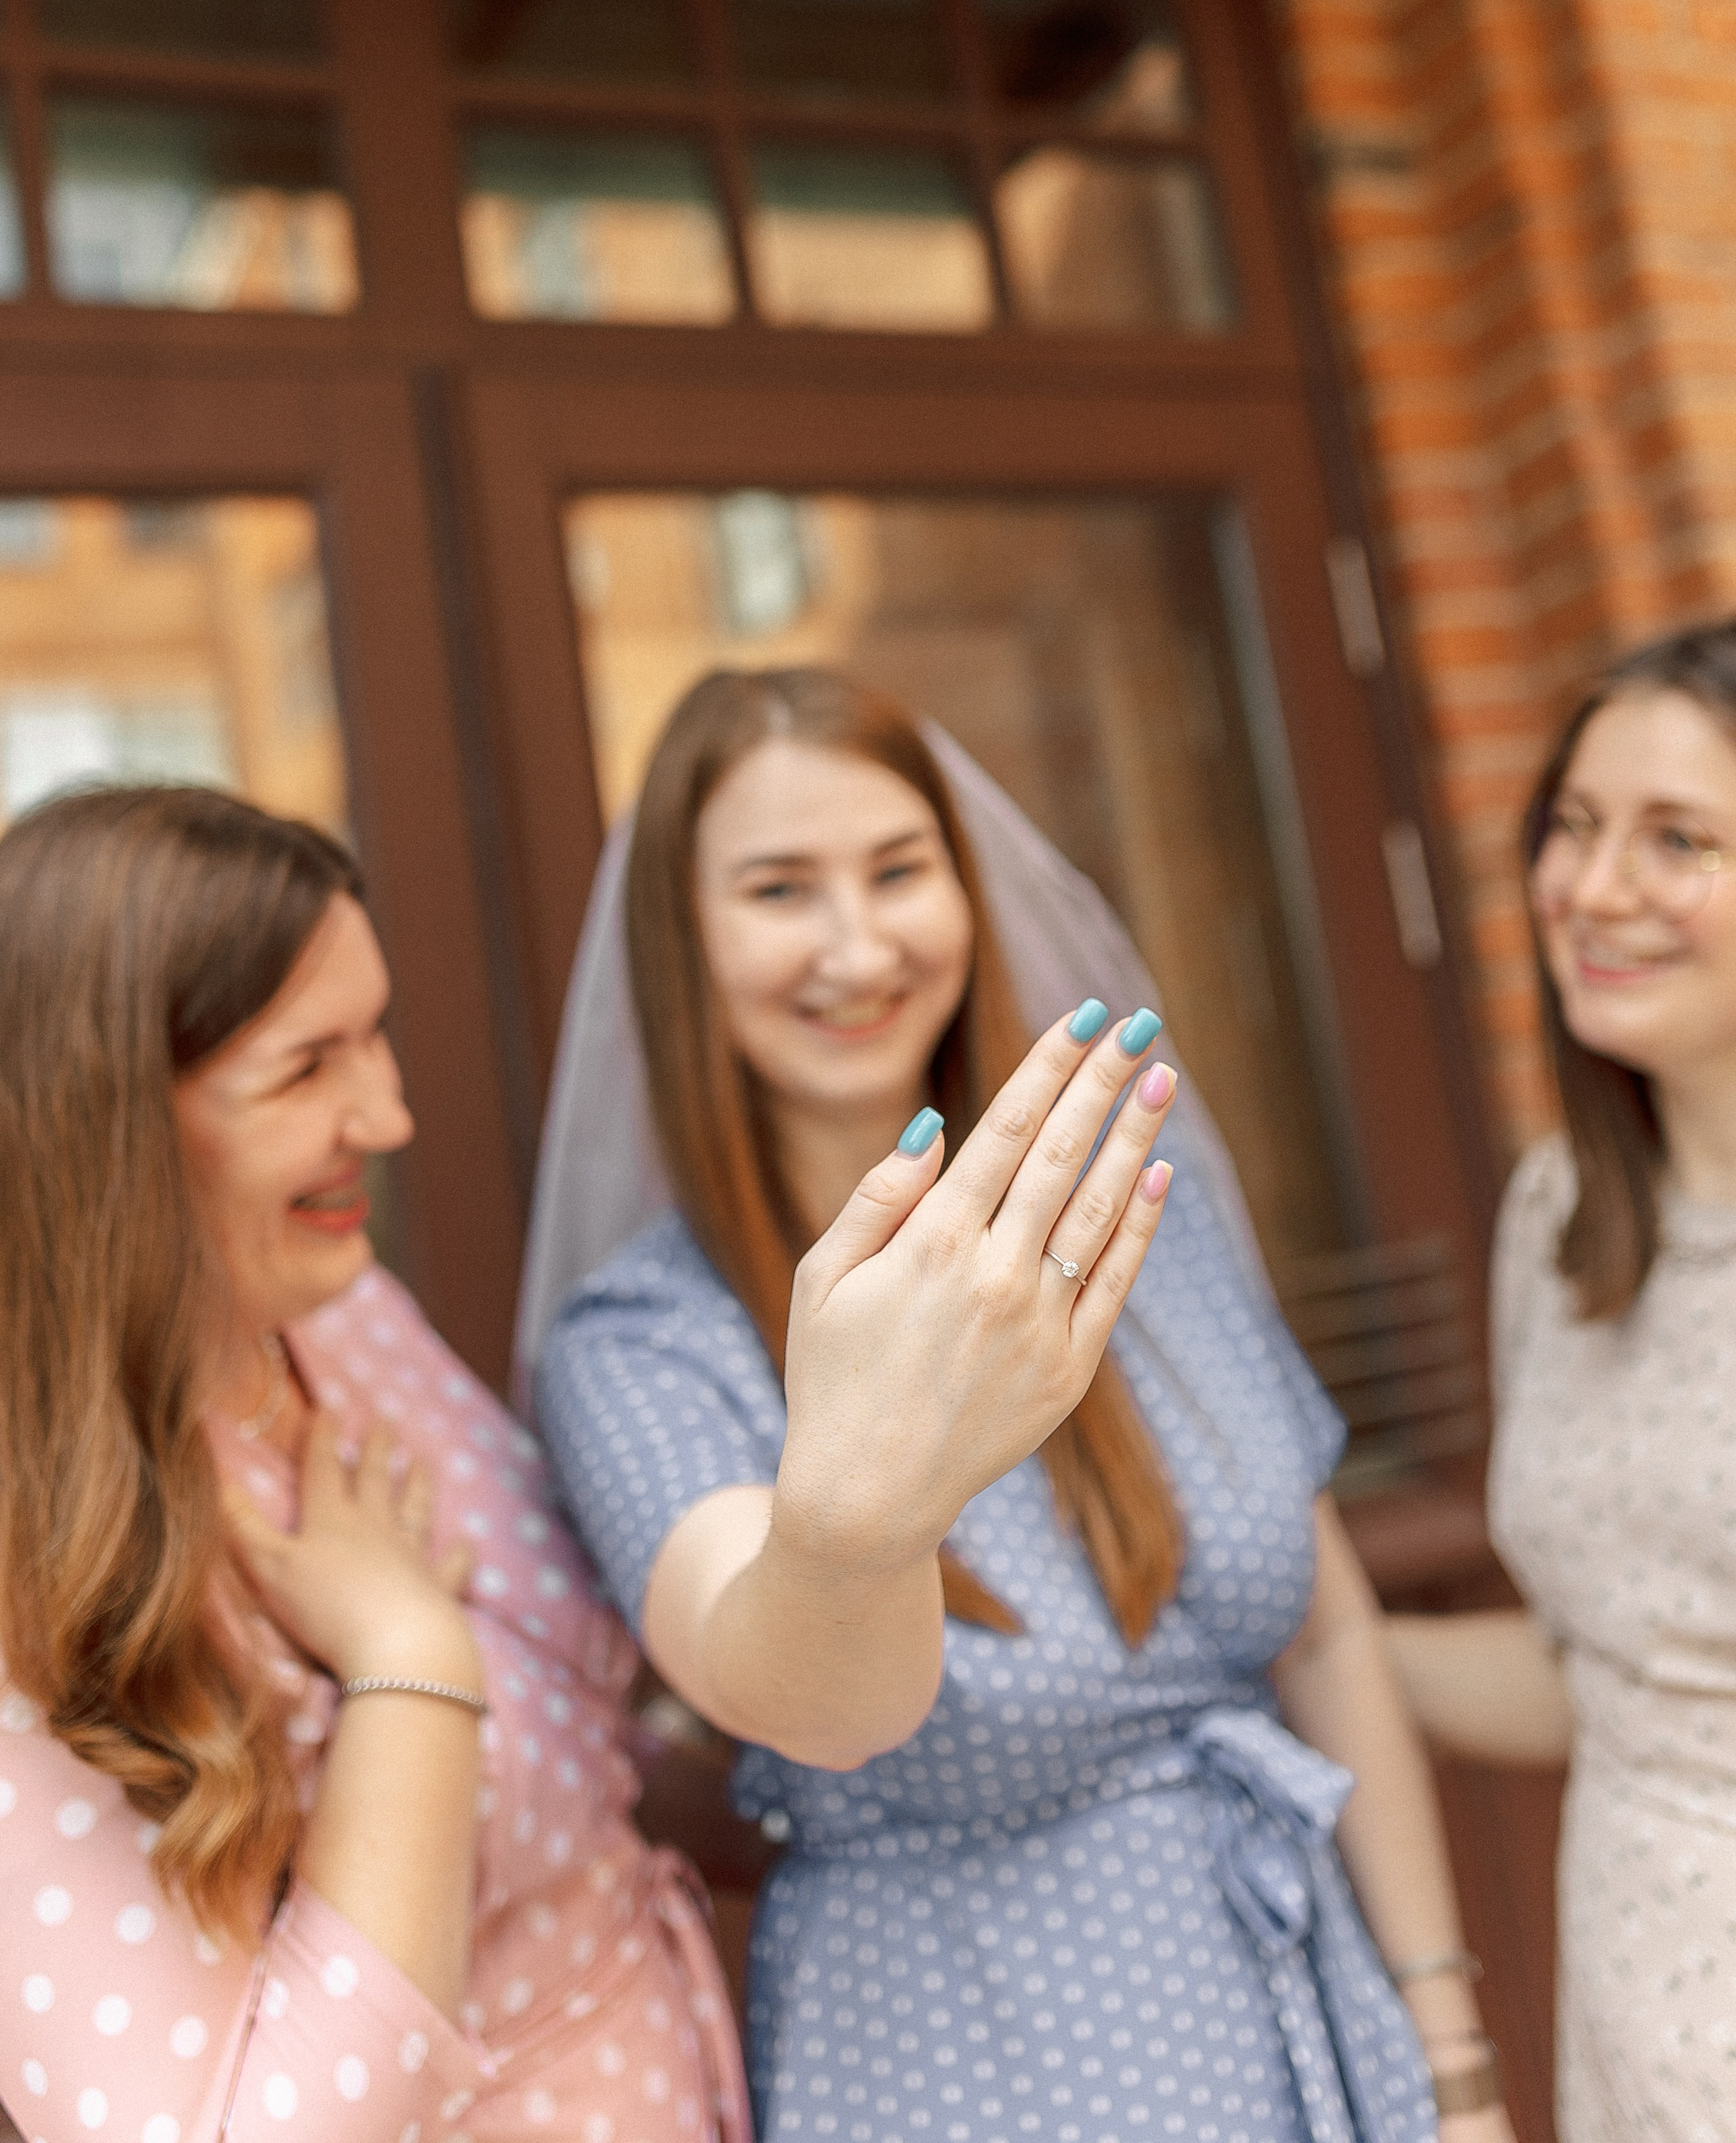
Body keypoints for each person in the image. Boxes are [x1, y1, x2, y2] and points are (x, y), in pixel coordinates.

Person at [526, 665, 1511, 2143]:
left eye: (897, 870)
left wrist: (1450, 2060)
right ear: (683, 940)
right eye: (780, 889)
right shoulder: (645, 1346)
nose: (859, 945)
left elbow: (1327, 1632)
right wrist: (876, 1497)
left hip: (1304, 2012)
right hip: (970, 2060)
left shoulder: (1133, 1213)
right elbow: (794, 1696)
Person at [0, 785, 755, 2140]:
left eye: (375, 1035)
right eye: (306, 1069)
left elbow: (568, 1762)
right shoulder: (35, 1548)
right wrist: (409, 1656)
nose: (391, 1115)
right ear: (100, 1128)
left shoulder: (342, 1316)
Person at [1387, 617, 1736, 2143]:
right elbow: (1610, 1672)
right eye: (1573, 828)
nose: (1592, 890)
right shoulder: (1560, 1220)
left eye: (1677, 840)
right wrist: (1318, 1646)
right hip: (1641, 2041)